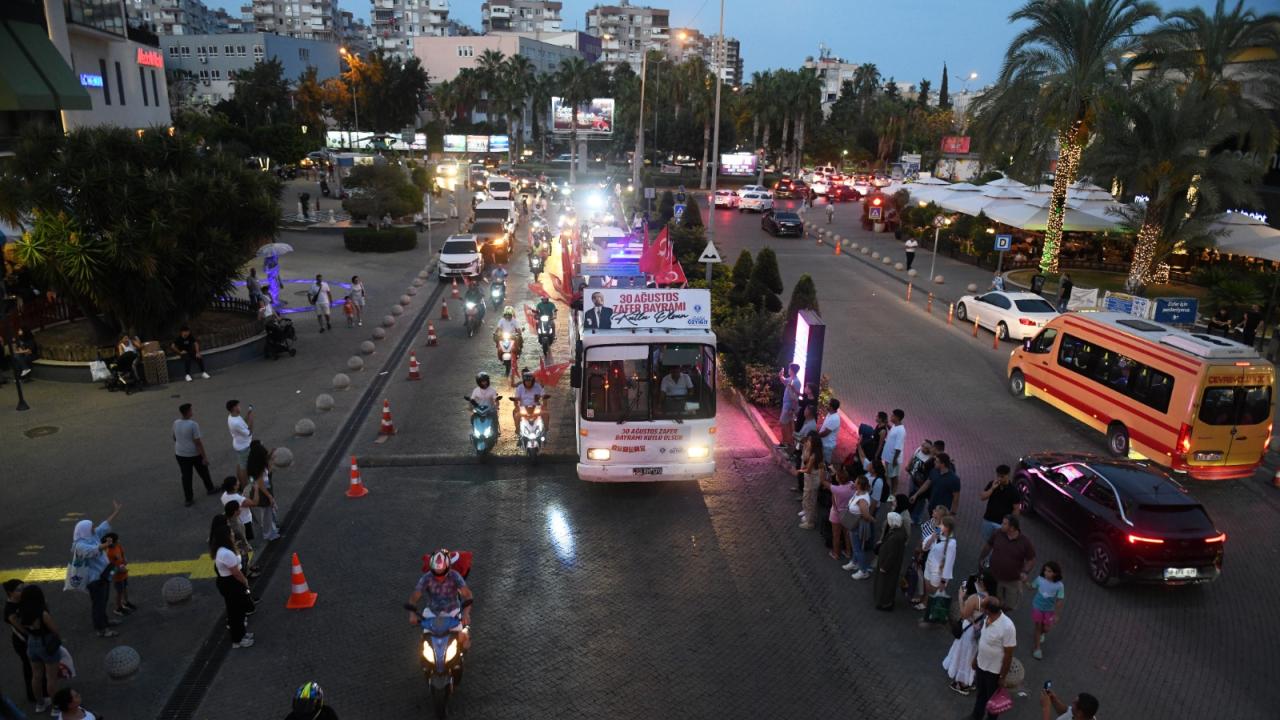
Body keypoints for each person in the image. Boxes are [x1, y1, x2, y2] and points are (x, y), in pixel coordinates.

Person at [71, 502, 123, 638]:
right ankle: (102, 629)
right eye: (91, 526)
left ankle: (104, 622)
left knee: (103, 600)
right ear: (85, 530)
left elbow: (103, 526)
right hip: (94, 580)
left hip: (102, 575)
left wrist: (116, 511)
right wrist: (106, 544)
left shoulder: (91, 535)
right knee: (98, 604)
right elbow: (92, 551)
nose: (94, 527)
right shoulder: (80, 546)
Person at [408, 550, 474, 653]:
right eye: (436, 574)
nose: (439, 577)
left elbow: (468, 594)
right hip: (432, 611)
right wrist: (412, 614)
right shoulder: (426, 578)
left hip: (452, 611)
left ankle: (466, 634)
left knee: (463, 641)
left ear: (448, 568)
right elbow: (414, 597)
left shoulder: (455, 576)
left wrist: (466, 614)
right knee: (425, 639)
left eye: (442, 574)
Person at [943, 573, 996, 695]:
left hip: (969, 631)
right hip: (979, 632)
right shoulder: (991, 598)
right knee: (972, 655)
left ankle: (962, 684)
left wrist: (961, 597)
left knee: (964, 655)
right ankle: (968, 680)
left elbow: (964, 614)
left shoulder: (975, 599)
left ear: (982, 583)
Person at [210, 516, 255, 649]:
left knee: (236, 610)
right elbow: (235, 572)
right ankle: (238, 639)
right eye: (230, 533)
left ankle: (241, 634)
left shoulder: (221, 550)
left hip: (228, 583)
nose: (232, 534)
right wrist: (245, 581)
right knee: (236, 612)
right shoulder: (226, 554)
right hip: (232, 583)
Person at [970, 597, 1016, 720]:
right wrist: (976, 659)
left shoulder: (1008, 627)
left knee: (993, 701)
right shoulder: (987, 619)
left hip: (994, 672)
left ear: (988, 610)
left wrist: (1002, 677)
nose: (981, 609)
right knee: (981, 694)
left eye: (983, 607)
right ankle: (976, 716)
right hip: (981, 666)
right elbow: (983, 641)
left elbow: (1008, 654)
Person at [979, 514, 1037, 612]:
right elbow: (989, 545)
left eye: (1004, 524)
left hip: (1011, 581)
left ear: (1012, 528)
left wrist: (1025, 572)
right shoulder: (998, 533)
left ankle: (1000, 616)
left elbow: (1031, 559)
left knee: (1009, 605)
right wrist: (981, 558)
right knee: (992, 602)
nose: (1001, 525)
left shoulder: (1025, 542)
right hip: (994, 577)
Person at [16, 585, 59, 713]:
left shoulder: (21, 612)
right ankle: (56, 707)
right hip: (46, 643)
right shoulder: (42, 613)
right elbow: (54, 629)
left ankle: (40, 704)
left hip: (31, 644)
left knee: (36, 676)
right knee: (51, 677)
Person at [4, 579, 41, 708]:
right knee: (29, 667)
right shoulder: (10, 610)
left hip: (27, 639)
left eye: (23, 588)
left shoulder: (22, 601)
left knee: (34, 667)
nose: (23, 592)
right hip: (22, 641)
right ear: (10, 593)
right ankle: (32, 694)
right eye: (19, 590)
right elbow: (20, 628)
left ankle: (37, 692)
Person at [173, 403, 216, 506]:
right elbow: (198, 442)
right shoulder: (193, 424)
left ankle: (188, 499)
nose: (193, 411)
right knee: (203, 471)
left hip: (180, 453)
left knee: (186, 476)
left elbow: (174, 437)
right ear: (188, 412)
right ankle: (210, 488)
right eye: (191, 410)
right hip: (193, 454)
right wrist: (204, 457)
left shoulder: (176, 422)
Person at [917, 515, 957, 610]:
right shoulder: (937, 534)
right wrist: (932, 538)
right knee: (927, 589)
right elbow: (925, 547)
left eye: (942, 524)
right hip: (928, 565)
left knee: (934, 593)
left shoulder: (952, 543)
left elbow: (949, 564)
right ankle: (925, 603)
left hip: (938, 572)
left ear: (947, 528)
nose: (939, 525)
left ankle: (931, 610)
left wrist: (943, 581)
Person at [246, 441, 282, 542]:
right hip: (263, 493)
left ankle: (272, 529)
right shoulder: (259, 470)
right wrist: (269, 496)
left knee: (268, 512)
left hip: (265, 490)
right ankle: (269, 534)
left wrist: (271, 457)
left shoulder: (255, 464)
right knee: (267, 513)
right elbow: (261, 484)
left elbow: (268, 471)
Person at [872, 511, 908, 610]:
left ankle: (884, 603)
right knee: (888, 584)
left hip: (888, 566)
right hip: (893, 565)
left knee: (885, 585)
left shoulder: (895, 537)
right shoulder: (900, 531)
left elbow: (892, 555)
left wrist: (885, 567)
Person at [1030, 561, 1065, 660]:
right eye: (1045, 570)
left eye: (1049, 571)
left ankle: (1041, 633)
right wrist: (1025, 582)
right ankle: (1037, 649)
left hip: (1049, 610)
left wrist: (1057, 615)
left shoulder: (1059, 586)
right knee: (1038, 626)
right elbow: (1031, 587)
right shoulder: (1039, 579)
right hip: (1037, 607)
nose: (1046, 573)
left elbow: (1059, 600)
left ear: (1055, 573)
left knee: (1046, 629)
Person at [979, 466, 1020, 544]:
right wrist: (992, 489)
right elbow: (982, 497)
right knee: (987, 543)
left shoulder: (1013, 491)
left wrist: (1012, 525)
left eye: (1002, 476)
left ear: (1008, 475)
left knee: (998, 544)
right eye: (998, 476)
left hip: (1002, 524)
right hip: (988, 519)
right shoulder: (992, 484)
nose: (999, 479)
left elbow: (1016, 509)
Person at [791, 432, 824, 529]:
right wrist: (806, 448)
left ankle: (810, 522)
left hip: (812, 480)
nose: (807, 442)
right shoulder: (814, 452)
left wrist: (798, 471)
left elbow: (808, 470)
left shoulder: (814, 456)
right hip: (810, 480)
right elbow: (805, 460)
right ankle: (808, 515)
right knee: (807, 498)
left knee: (810, 500)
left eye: (809, 441)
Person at [846, 476, 875, 580]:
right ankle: (854, 562)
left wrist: (872, 520)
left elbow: (866, 515)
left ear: (859, 485)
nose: (854, 482)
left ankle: (863, 570)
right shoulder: (859, 492)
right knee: (855, 546)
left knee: (858, 548)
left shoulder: (862, 499)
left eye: (856, 481)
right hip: (853, 523)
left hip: (857, 525)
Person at [825, 465, 855, 562]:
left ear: (839, 479)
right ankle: (848, 552)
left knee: (836, 535)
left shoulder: (836, 489)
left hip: (836, 514)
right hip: (848, 512)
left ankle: (836, 553)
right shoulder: (852, 485)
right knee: (846, 533)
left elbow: (824, 483)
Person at [220, 476, 258, 553]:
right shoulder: (239, 499)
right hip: (244, 520)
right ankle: (246, 547)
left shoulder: (224, 495)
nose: (239, 483)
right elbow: (254, 503)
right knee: (244, 536)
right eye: (237, 482)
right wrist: (256, 489)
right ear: (234, 486)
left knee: (237, 535)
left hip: (233, 519)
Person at [102, 533, 134, 617]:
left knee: (125, 587)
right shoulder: (108, 553)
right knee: (119, 592)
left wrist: (125, 560)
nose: (118, 541)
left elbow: (122, 554)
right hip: (117, 576)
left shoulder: (118, 546)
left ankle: (126, 602)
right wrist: (120, 569)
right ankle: (118, 608)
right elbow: (109, 567)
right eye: (117, 540)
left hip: (123, 572)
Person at [226, 399, 254, 485]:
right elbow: (249, 432)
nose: (240, 407)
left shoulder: (232, 416)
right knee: (244, 468)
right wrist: (252, 420)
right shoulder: (236, 423)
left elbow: (244, 423)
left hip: (238, 444)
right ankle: (245, 487)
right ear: (234, 408)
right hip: (244, 446)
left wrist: (248, 414)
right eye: (238, 406)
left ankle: (239, 482)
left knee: (240, 463)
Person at [777, 364, 802, 449]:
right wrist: (781, 375)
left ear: (792, 370)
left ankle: (785, 443)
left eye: (789, 369)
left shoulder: (796, 381)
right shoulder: (791, 379)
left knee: (784, 423)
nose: (788, 370)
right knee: (788, 424)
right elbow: (784, 381)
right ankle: (790, 443)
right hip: (787, 404)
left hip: (789, 406)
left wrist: (792, 409)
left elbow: (796, 396)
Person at [881, 409, 906, 492]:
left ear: (897, 417)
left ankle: (893, 495)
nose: (891, 417)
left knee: (893, 478)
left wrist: (894, 460)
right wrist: (887, 424)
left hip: (893, 459)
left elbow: (898, 447)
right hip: (889, 458)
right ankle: (889, 492)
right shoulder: (895, 426)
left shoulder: (901, 431)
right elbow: (892, 429)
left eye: (892, 416)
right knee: (889, 475)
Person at [818, 398, 842, 467]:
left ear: (831, 407)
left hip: (827, 445)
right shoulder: (830, 413)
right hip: (824, 442)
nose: (826, 405)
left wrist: (817, 435)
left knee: (826, 463)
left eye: (828, 404)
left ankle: (827, 474)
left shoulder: (834, 419)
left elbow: (826, 433)